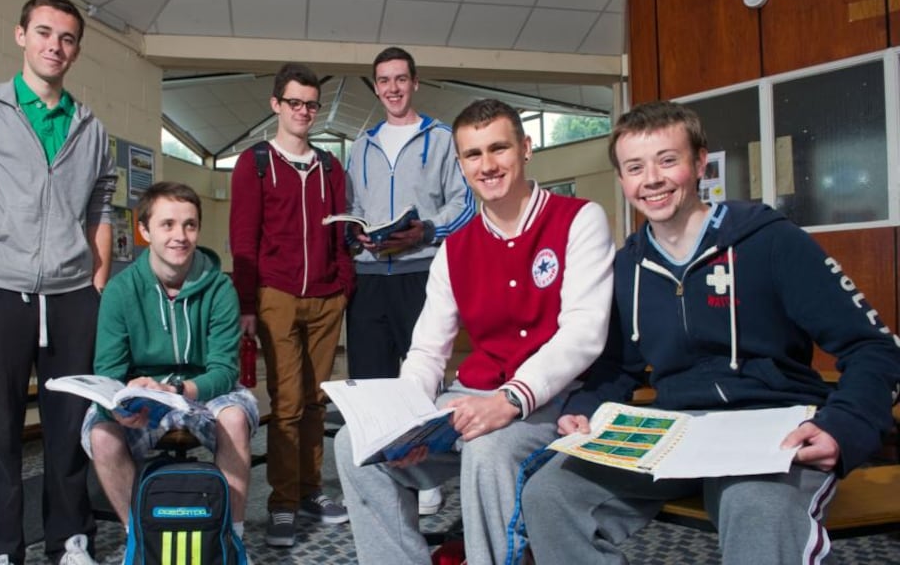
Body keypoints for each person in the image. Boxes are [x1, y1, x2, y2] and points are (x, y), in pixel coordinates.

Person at [521, 100, 900, 565]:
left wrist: (844, 427)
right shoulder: (627, 265)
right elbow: (618, 365)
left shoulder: (770, 241)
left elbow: (874, 348)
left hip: (771, 427)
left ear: (700, 162)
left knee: (755, 506)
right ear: (622, 181)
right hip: (677, 431)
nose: (652, 179)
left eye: (668, 160)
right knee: (549, 494)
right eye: (635, 167)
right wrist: (584, 408)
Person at [335, 98, 615, 564]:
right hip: (471, 394)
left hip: (554, 398)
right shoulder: (455, 248)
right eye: (472, 154)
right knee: (353, 445)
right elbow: (427, 348)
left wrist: (508, 401)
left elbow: (583, 333)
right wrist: (406, 418)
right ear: (461, 164)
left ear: (525, 149)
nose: (487, 166)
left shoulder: (579, 219)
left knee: (488, 446)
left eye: (498, 149)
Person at [0, 0, 114, 565]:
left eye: (65, 39)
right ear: (21, 36)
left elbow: (101, 211)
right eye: (43, 33)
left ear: (77, 50)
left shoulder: (90, 127)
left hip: (71, 299)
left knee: (70, 431)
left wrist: (97, 284)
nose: (54, 46)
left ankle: (71, 540)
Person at [82, 182, 259, 549]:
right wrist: (116, 407)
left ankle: (231, 539)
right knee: (101, 435)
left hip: (204, 390)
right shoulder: (120, 290)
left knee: (236, 418)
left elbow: (225, 371)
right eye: (168, 225)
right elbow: (109, 373)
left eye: (190, 225)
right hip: (146, 394)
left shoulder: (219, 288)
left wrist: (179, 390)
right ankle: (140, 537)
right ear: (144, 231)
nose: (180, 236)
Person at [344, 45, 475, 514]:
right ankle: (379, 471)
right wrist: (355, 232)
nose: (392, 88)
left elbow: (465, 204)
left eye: (401, 79)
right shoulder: (361, 145)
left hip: (422, 270)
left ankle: (426, 475)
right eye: (383, 80)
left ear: (415, 83)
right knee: (371, 380)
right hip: (370, 275)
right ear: (376, 87)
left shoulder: (441, 139)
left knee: (420, 378)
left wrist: (426, 231)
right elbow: (355, 208)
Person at [229, 62, 356, 547]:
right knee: (284, 403)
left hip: (327, 299)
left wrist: (344, 285)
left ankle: (310, 491)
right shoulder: (254, 162)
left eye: (311, 104)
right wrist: (247, 302)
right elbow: (243, 238)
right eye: (295, 103)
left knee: (315, 401)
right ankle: (282, 502)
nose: (303, 112)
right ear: (276, 105)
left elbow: (344, 232)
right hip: (276, 296)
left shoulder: (329, 166)